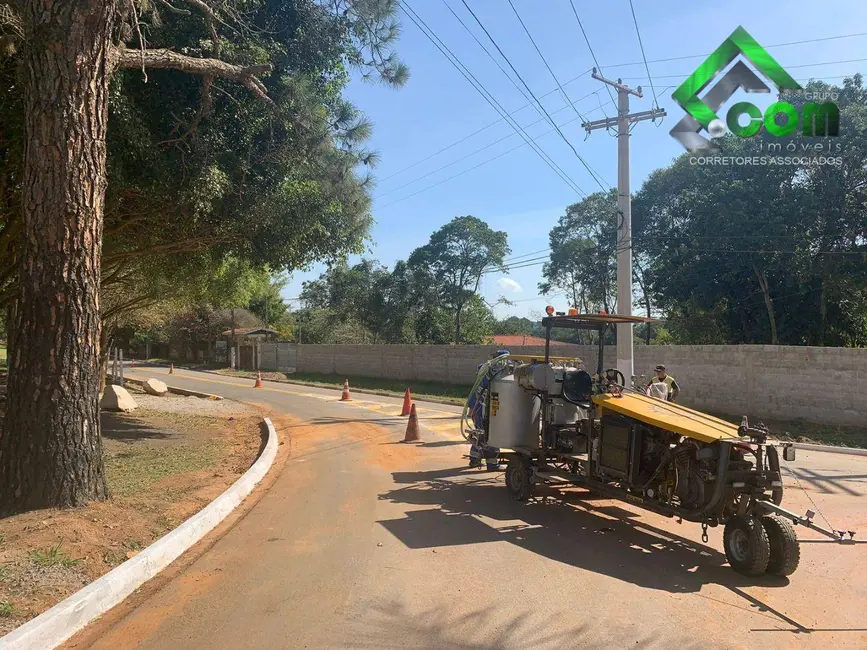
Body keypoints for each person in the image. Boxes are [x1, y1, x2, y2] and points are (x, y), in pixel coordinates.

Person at [467, 350, 509, 470]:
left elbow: (475, 393)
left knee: (480, 434)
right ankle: (492, 464)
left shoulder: (486, 372)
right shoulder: (496, 373)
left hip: (481, 409)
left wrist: (471, 410)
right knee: (492, 435)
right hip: (488, 410)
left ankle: (474, 459)